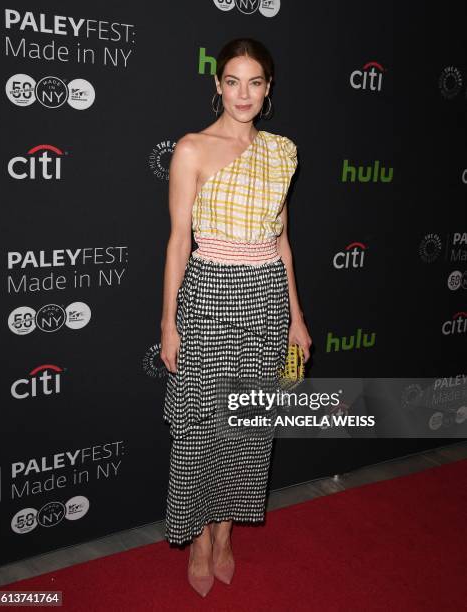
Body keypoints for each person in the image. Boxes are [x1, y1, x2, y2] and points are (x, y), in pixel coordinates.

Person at [160, 37, 312, 597]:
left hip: (267, 299)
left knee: (248, 428)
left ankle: (225, 533)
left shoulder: (282, 152)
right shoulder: (192, 149)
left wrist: (296, 315)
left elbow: (284, 241)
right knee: (200, 427)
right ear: (217, 85)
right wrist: (167, 322)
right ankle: (200, 537)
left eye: (255, 82)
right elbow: (178, 242)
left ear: (268, 89)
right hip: (208, 298)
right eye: (232, 81)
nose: (243, 93)